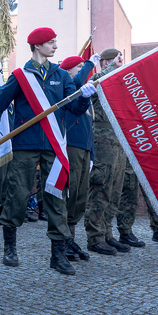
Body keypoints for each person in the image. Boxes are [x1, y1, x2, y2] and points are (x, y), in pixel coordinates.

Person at [0, 27, 95, 276]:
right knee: (17, 193)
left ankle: (57, 255)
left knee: (56, 197)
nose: (55, 46)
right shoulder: (20, 75)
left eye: (56, 42)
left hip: (53, 146)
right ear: (37, 46)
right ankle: (10, 247)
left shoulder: (61, 76)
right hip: (25, 145)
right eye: (51, 42)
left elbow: (75, 108)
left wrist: (84, 98)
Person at [83, 48, 132, 255]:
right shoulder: (97, 78)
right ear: (104, 63)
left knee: (114, 191)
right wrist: (113, 66)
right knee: (101, 188)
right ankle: (94, 237)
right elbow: (98, 79)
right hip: (103, 139)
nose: (118, 64)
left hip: (119, 140)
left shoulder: (119, 81)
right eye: (113, 62)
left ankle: (107, 234)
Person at [59, 55, 98, 262]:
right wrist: (90, 64)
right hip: (71, 146)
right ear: (69, 70)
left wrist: (91, 152)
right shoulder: (69, 87)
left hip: (84, 148)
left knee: (80, 196)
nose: (83, 70)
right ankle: (63, 241)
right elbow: (75, 85)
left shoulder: (85, 96)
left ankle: (71, 239)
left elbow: (89, 128)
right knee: (70, 192)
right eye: (79, 67)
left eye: (83, 66)